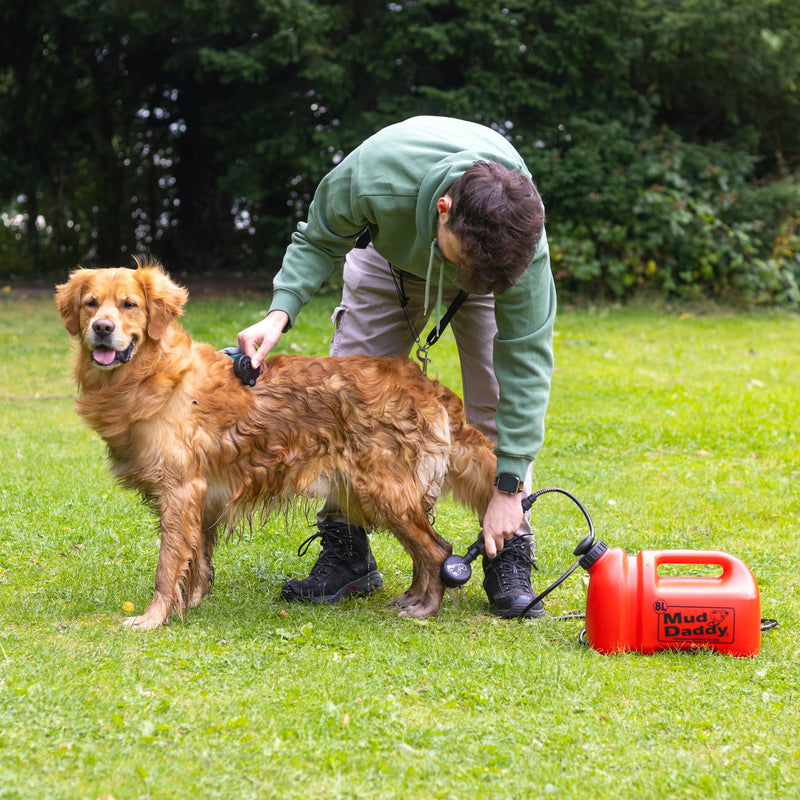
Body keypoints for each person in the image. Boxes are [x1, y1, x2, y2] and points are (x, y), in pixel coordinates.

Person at [238, 115, 556, 618]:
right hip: (392, 261)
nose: (462, 278)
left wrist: (510, 483)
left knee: (496, 402)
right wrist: (280, 313)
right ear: (442, 208)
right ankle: (347, 551)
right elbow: (319, 238)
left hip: (493, 273)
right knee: (345, 399)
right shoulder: (375, 176)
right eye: (460, 263)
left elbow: (526, 365)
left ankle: (508, 547)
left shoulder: (517, 241)